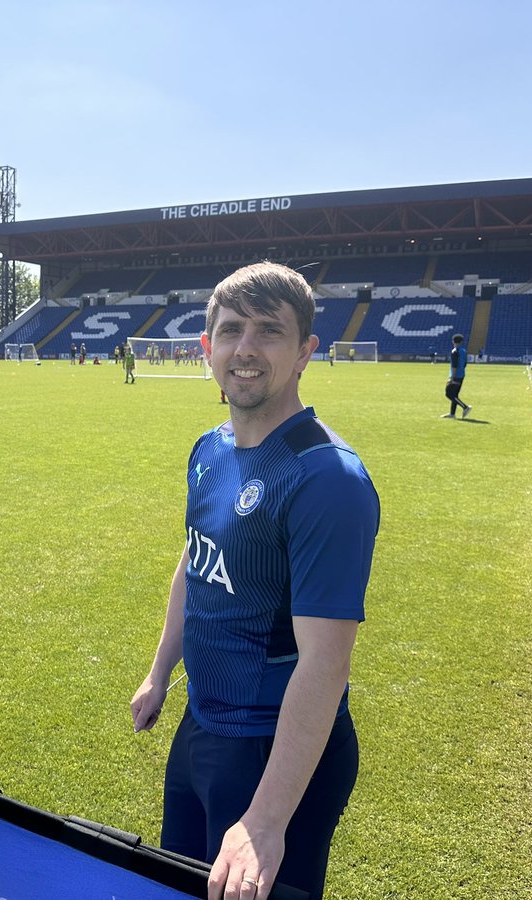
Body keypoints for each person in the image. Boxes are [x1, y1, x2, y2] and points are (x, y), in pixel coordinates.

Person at [129, 262, 378, 900]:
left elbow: (326, 661)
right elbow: (195, 563)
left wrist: (267, 821)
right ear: (206, 347)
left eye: (269, 331)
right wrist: (161, 674)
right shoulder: (208, 450)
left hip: (273, 748)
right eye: (231, 330)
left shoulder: (328, 479)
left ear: (304, 353)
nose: (246, 348)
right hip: (202, 725)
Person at [441, 333, 471, 419]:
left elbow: (454, 365)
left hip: (456, 376)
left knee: (449, 394)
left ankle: (465, 407)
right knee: (455, 395)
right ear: (461, 342)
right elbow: (465, 363)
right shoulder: (464, 351)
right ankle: (452, 414)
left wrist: (452, 377)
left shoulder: (454, 351)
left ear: (453, 341)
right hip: (461, 375)